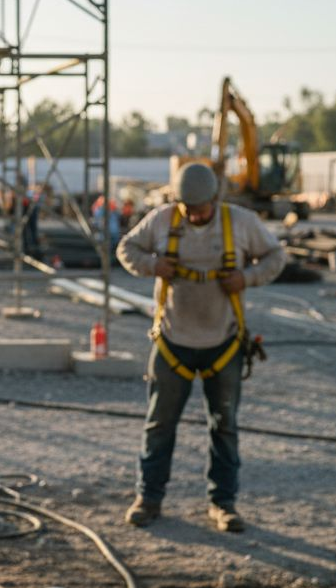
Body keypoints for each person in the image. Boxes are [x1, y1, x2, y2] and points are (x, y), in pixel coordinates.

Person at [116, 163, 286, 533]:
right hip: (172, 341)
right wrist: (152, 265)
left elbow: (276, 256)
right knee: (159, 425)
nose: (193, 215)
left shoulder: (239, 223)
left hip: (223, 342)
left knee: (224, 426)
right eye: (187, 208)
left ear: (215, 199)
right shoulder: (162, 220)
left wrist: (247, 277)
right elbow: (126, 248)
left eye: (200, 209)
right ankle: (149, 497)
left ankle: (223, 504)